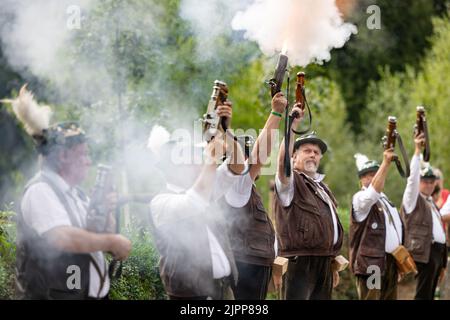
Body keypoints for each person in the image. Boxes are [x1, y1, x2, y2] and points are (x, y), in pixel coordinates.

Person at [6, 86, 131, 299]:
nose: (88, 161)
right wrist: (112, 242)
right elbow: (62, 237)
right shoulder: (41, 190)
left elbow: (96, 234)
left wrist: (106, 210)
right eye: (83, 155)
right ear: (63, 156)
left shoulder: (78, 195)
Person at [149, 100, 247, 300]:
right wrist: (211, 159)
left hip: (223, 290)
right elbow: (193, 202)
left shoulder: (204, 189)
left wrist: (226, 131)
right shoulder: (161, 202)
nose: (197, 163)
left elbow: (237, 166)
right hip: (191, 296)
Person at [273, 104, 344, 300]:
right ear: (294, 155)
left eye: (316, 152)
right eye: (307, 150)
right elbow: (282, 164)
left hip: (323, 262)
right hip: (299, 261)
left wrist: (331, 263)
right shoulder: (291, 181)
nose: (313, 154)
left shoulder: (323, 188)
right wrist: (292, 125)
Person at [221, 92, 287, 299]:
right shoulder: (236, 182)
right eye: (244, 154)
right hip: (246, 266)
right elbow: (260, 155)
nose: (250, 160)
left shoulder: (246, 188)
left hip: (254, 264)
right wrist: (276, 113)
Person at [350, 151, 403, 300]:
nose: (372, 177)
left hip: (391, 262)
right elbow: (372, 193)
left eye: (375, 173)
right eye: (367, 174)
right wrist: (385, 163)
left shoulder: (386, 201)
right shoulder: (360, 197)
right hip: (371, 264)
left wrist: (398, 262)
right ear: (361, 179)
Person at [401, 132, 447, 300]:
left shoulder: (431, 202)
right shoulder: (413, 199)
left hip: (435, 254)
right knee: (422, 295)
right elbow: (412, 180)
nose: (428, 184)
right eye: (425, 181)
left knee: (428, 295)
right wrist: (417, 153)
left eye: (431, 181)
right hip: (424, 253)